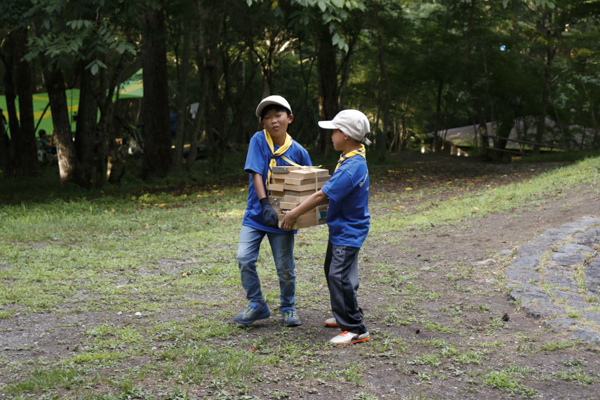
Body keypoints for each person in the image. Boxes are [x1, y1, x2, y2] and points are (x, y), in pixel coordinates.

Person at [282, 109, 371, 345]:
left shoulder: (353, 166)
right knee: (335, 271)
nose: (331, 135)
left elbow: (322, 195)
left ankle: (355, 328)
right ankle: (345, 315)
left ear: (346, 134)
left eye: (334, 131)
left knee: (339, 276)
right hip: (342, 228)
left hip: (348, 230)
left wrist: (293, 213)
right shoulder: (351, 157)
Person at [234, 95, 312, 327]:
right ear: (262, 124)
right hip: (257, 213)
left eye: (278, 115)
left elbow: (308, 184)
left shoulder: (299, 151)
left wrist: (298, 214)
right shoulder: (258, 141)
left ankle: (288, 307)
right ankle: (257, 303)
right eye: (267, 118)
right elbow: (256, 173)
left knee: (285, 268)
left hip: (284, 218)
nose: (273, 121)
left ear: (289, 118)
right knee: (244, 258)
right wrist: (265, 203)